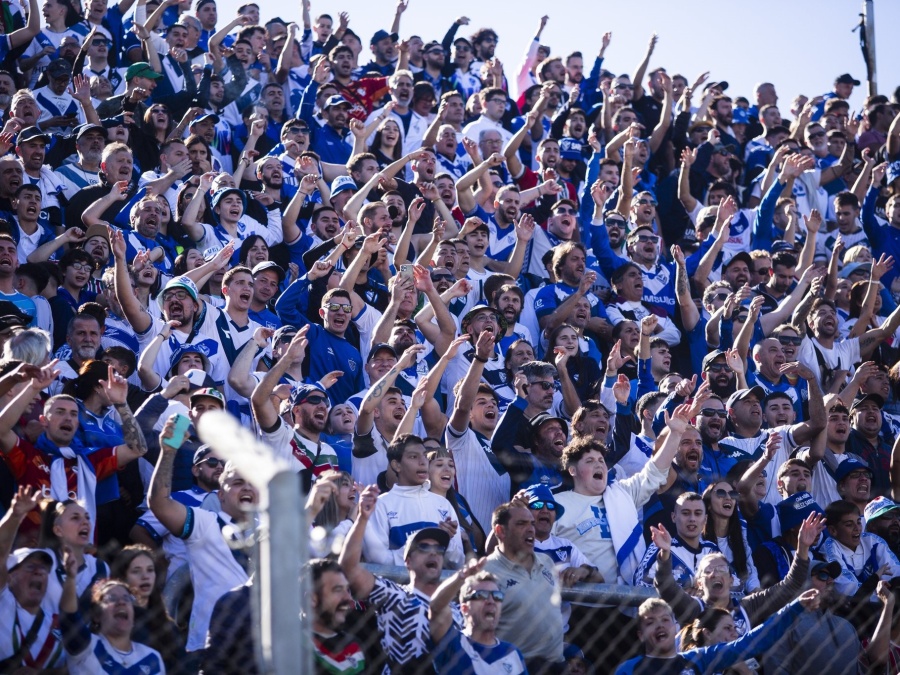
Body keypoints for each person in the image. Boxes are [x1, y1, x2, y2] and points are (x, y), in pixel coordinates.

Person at [429, 558, 528, 675]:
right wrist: (461, 576)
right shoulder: (453, 644)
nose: (491, 601)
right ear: (464, 609)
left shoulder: (512, 653)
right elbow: (435, 609)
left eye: (497, 596)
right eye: (481, 595)